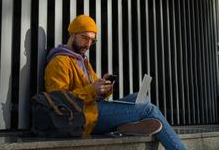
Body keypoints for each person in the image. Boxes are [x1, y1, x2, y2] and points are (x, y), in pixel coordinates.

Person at [44, 14, 187, 150]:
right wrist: (92, 90)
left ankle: (125, 125)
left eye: (92, 41)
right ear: (72, 34)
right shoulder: (59, 62)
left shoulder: (82, 60)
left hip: (94, 107)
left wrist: (104, 88)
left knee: (140, 98)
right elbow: (59, 102)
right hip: (83, 118)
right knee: (149, 109)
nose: (88, 44)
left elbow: (95, 92)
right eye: (84, 38)